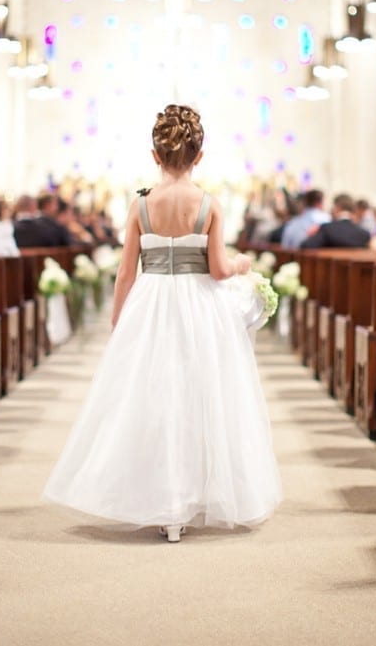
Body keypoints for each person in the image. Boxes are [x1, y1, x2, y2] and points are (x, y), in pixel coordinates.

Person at [43, 104, 282, 542]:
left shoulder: (140, 205)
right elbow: (217, 270)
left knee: (153, 396)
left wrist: (119, 319)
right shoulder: (208, 203)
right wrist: (243, 263)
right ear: (199, 156)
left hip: (150, 304)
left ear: (155, 156)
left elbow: (125, 271)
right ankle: (190, 497)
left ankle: (161, 500)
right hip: (199, 306)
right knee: (201, 394)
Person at [300, 193, 370, 248]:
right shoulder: (364, 234)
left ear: (338, 207)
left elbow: (306, 246)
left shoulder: (327, 229)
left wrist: (311, 235)